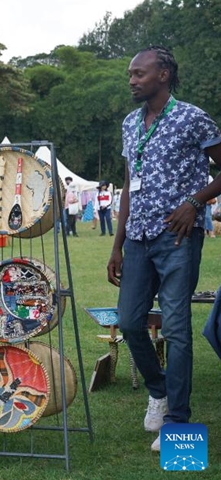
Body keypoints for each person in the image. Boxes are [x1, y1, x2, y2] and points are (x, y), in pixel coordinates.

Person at [107, 45, 221, 452]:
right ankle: (159, 391)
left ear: (163, 75)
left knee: (175, 327)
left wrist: (195, 202)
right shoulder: (130, 123)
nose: (132, 80)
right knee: (129, 321)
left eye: (139, 73)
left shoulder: (192, 118)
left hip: (177, 238)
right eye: (130, 74)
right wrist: (117, 245)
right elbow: (128, 185)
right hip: (137, 238)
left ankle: (177, 420)